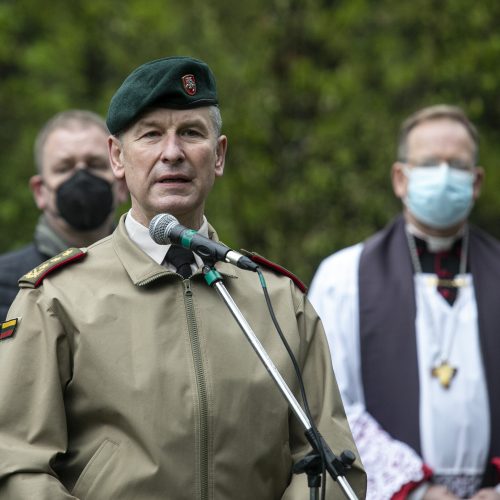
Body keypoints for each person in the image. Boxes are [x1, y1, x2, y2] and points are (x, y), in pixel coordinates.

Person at [0, 56, 366, 499]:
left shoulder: (277, 299)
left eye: (191, 133)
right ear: (117, 157)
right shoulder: (57, 299)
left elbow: (331, 465)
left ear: (219, 155)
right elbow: (18, 466)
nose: (171, 152)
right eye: (151, 134)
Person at [309, 105, 500, 500]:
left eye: (457, 165)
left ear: (477, 182)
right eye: (430, 163)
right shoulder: (343, 277)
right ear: (400, 178)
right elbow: (327, 402)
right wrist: (417, 490)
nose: (444, 176)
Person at [0, 109, 129, 319]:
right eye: (64, 168)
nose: (82, 177)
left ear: (122, 184)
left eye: (95, 165)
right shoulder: (5, 285)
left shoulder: (148, 275)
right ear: (40, 191)